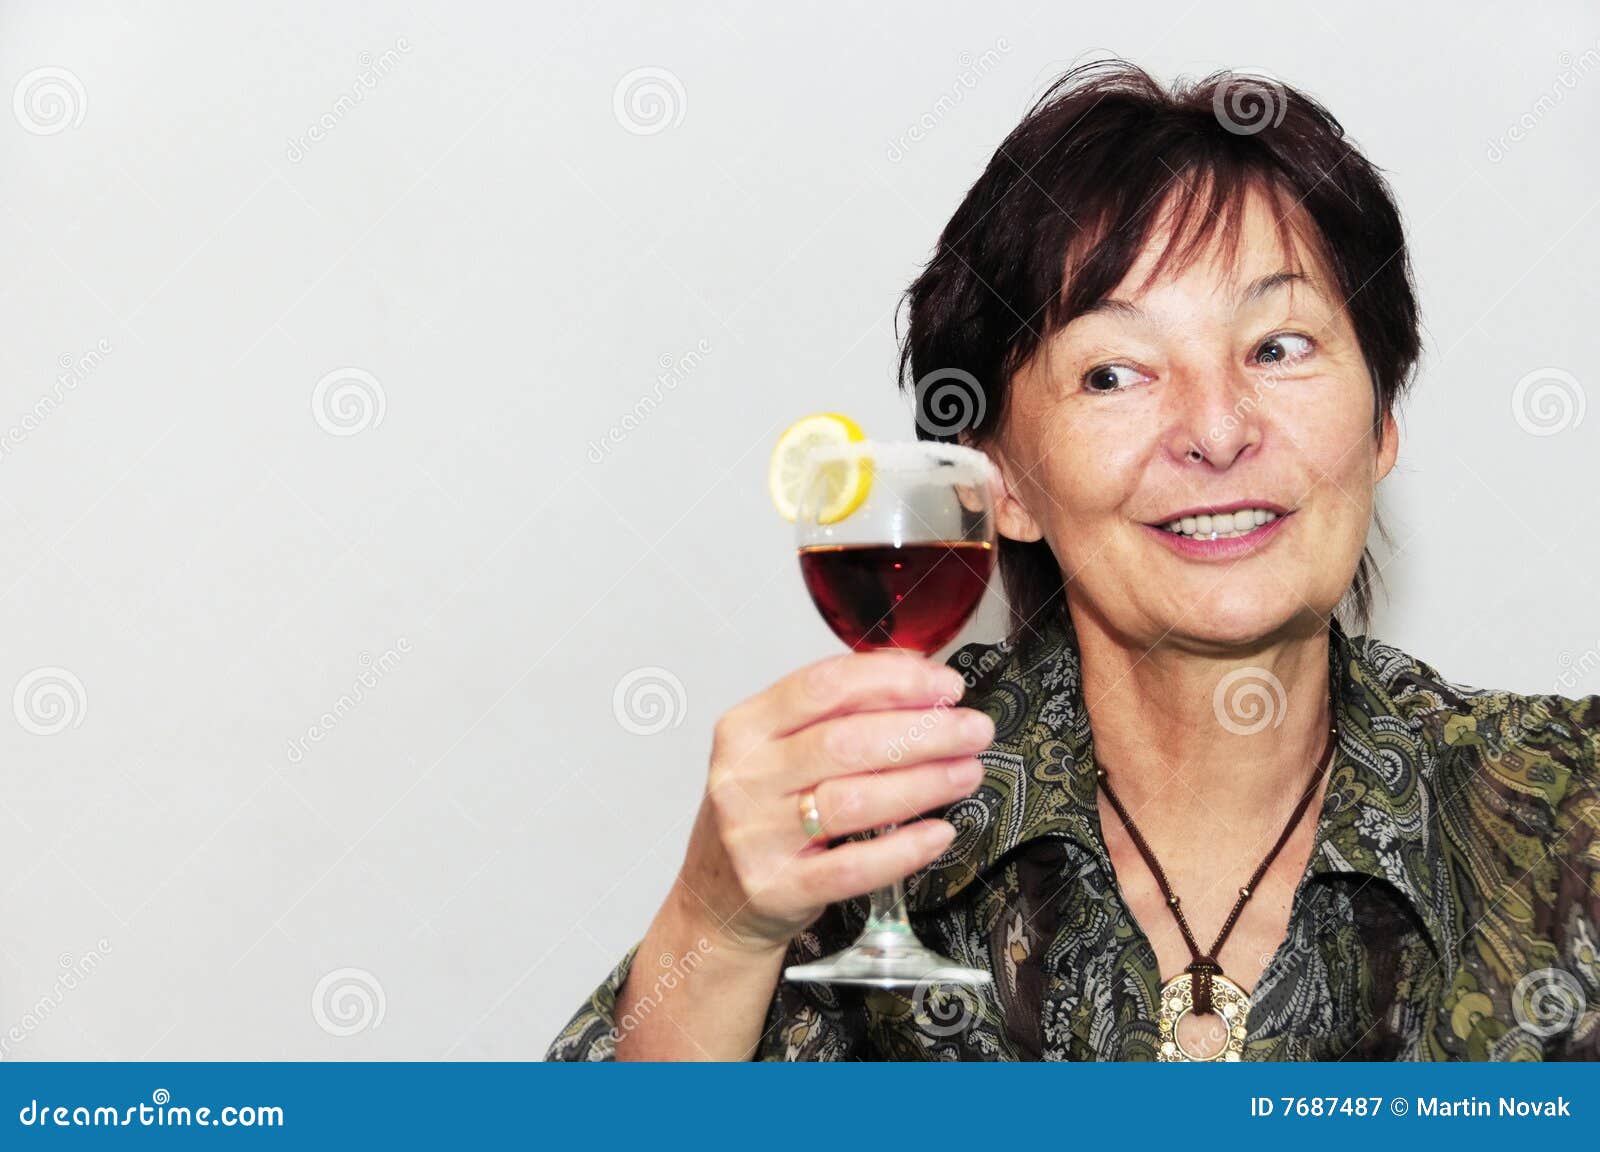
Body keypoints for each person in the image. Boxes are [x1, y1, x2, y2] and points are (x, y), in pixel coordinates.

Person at [547, 61, 1599, 1060]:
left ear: (1380, 422)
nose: (1217, 428)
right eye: (1113, 373)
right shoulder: (868, 823)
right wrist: (718, 926)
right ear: (1000, 480)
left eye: (1277, 348)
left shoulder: (1567, 814)